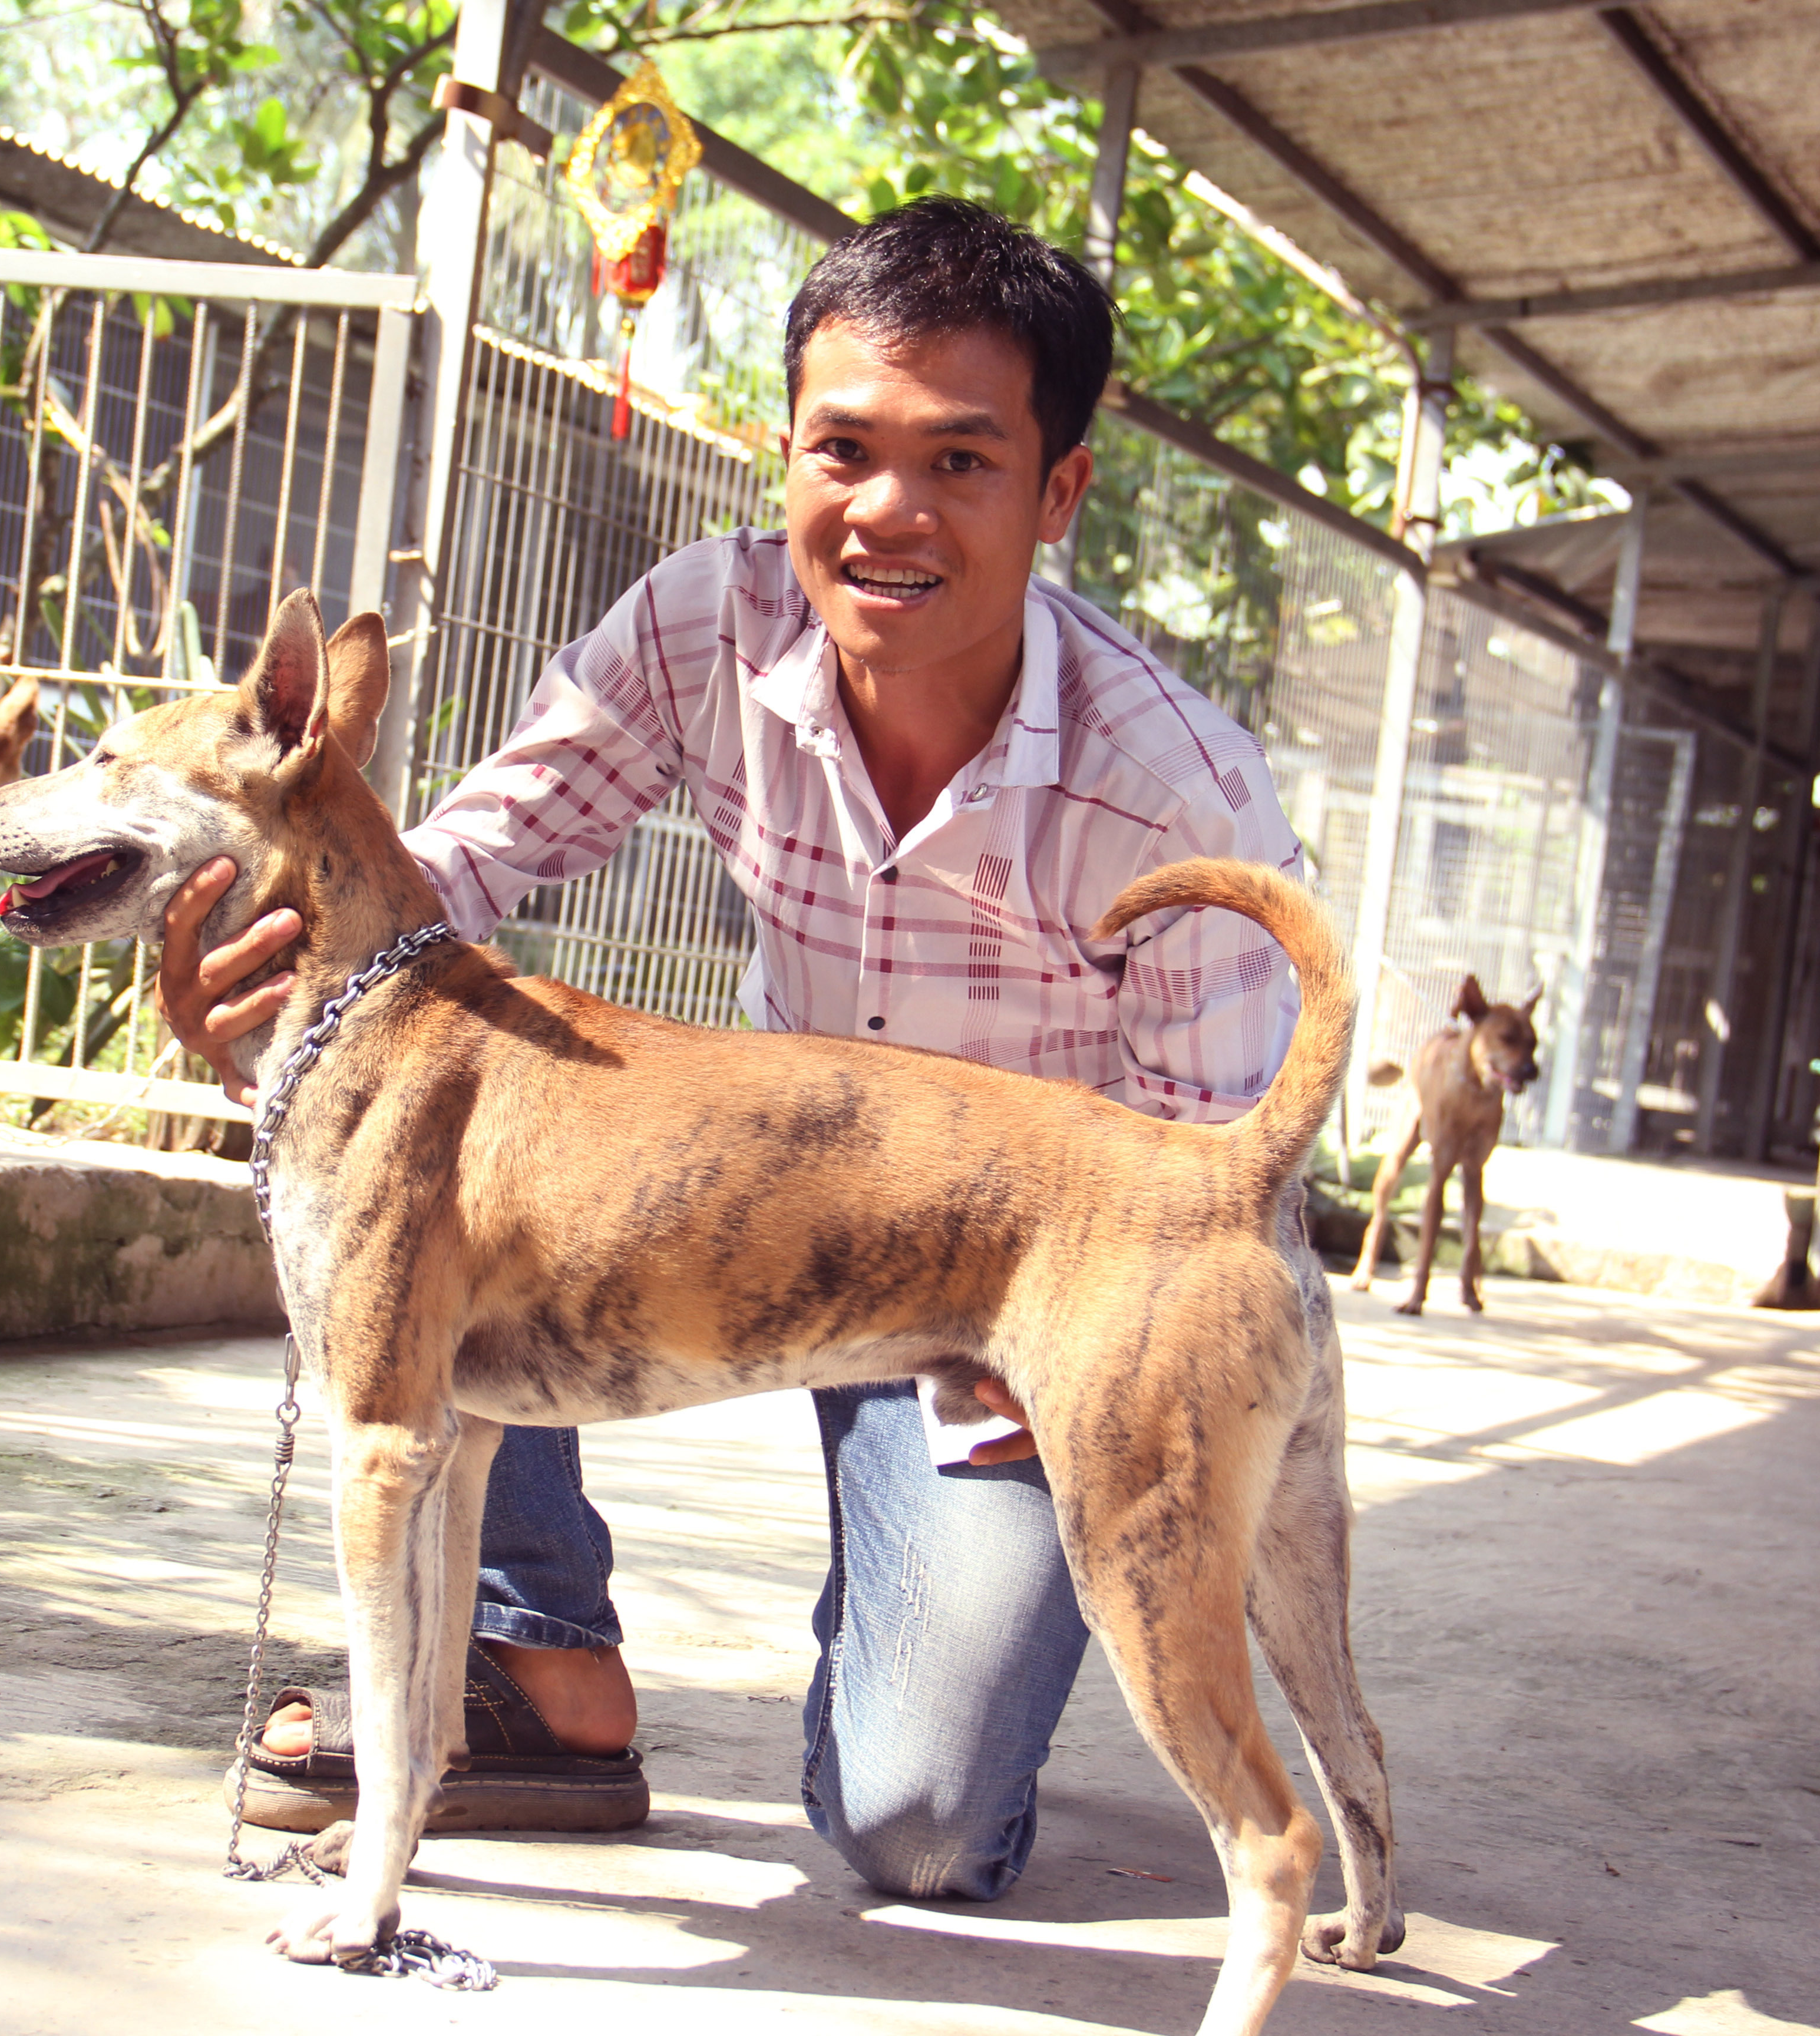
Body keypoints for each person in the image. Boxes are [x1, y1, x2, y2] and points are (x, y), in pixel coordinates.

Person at [161, 195, 1304, 1903]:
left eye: (961, 464)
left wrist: (1057, 1372)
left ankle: (990, 1651)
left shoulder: (1174, 795)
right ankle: (536, 1664)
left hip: (1009, 1287)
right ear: (784, 455)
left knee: (917, 1823)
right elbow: (465, 861)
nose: (887, 512)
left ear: (1058, 491)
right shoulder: (708, 622)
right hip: (732, 1212)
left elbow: (1212, 1188)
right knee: (396, 1086)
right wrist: (282, 979)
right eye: (842, 448)